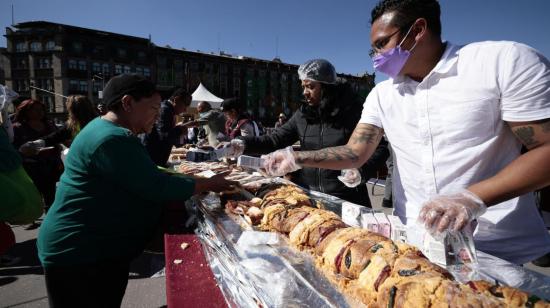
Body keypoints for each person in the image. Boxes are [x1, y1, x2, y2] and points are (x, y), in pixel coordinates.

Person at [262, 0, 550, 265]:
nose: (375, 56)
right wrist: (298, 157)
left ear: (418, 30)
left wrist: (473, 198)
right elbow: (354, 152)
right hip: (416, 246)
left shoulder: (501, 63)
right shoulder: (382, 95)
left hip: (496, 250)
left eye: (382, 44)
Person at [37, 74, 236, 307]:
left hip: (88, 248)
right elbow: (156, 185)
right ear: (128, 103)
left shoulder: (102, 128)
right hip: (81, 252)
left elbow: (144, 175)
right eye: (153, 108)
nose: (158, 114)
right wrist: (209, 183)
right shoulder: (112, 138)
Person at [228, 59, 389, 207]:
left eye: (311, 86)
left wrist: (362, 171)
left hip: (349, 198)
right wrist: (243, 143)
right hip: (311, 197)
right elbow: (274, 139)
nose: (305, 92)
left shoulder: (352, 112)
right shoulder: (302, 115)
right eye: (303, 86)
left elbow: (380, 148)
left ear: (326, 87)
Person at [13, 99, 62, 213]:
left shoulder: (49, 125)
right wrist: (23, 151)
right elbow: (13, 149)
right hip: (30, 169)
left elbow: (58, 140)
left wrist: (58, 147)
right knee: (33, 196)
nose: (40, 112)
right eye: (36, 110)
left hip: (51, 166)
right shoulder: (17, 128)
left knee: (51, 197)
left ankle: (49, 218)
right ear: (26, 111)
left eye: (42, 110)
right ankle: (33, 218)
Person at [141, 88, 191, 167]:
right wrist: (180, 129)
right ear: (176, 100)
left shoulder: (170, 111)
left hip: (156, 158)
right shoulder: (165, 110)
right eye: (186, 104)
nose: (185, 110)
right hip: (152, 158)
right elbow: (164, 135)